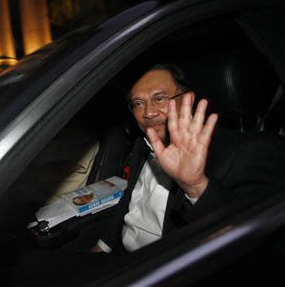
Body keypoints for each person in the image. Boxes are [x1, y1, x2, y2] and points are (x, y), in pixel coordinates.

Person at [94, 64, 285, 254]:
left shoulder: (245, 153)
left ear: (188, 99)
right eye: (138, 103)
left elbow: (254, 241)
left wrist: (195, 185)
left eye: (159, 98)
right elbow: (129, 197)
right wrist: (103, 245)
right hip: (119, 250)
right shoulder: (142, 143)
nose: (148, 113)